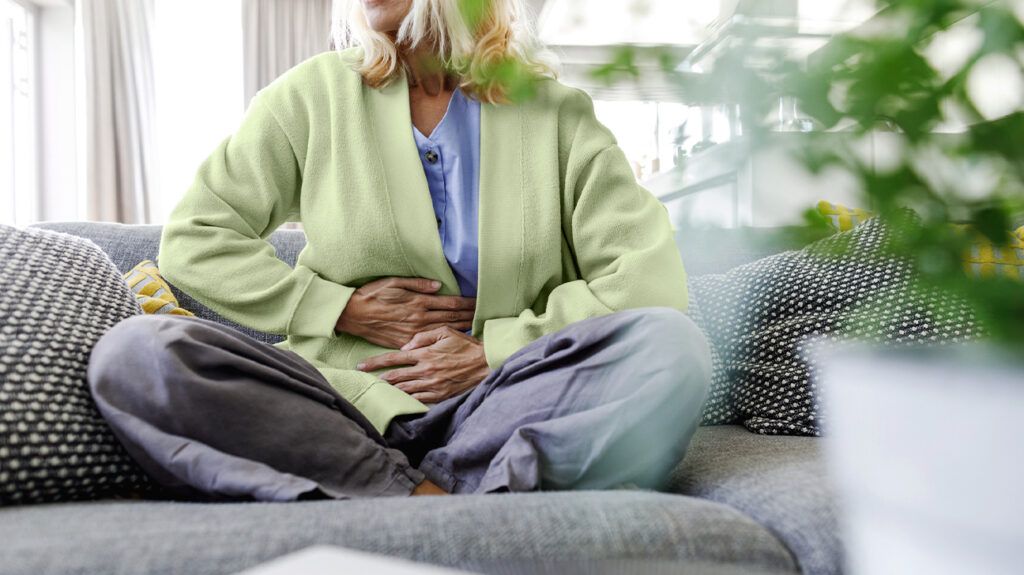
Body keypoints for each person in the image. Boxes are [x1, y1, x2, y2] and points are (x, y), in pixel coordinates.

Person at [87, 0, 712, 500]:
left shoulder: (555, 114)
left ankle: (420, 485)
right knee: (139, 355)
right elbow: (196, 238)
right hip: (335, 399)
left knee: (670, 347)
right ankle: (431, 495)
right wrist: (336, 308)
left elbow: (647, 282)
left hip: (501, 402)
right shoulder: (309, 97)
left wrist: (494, 350)